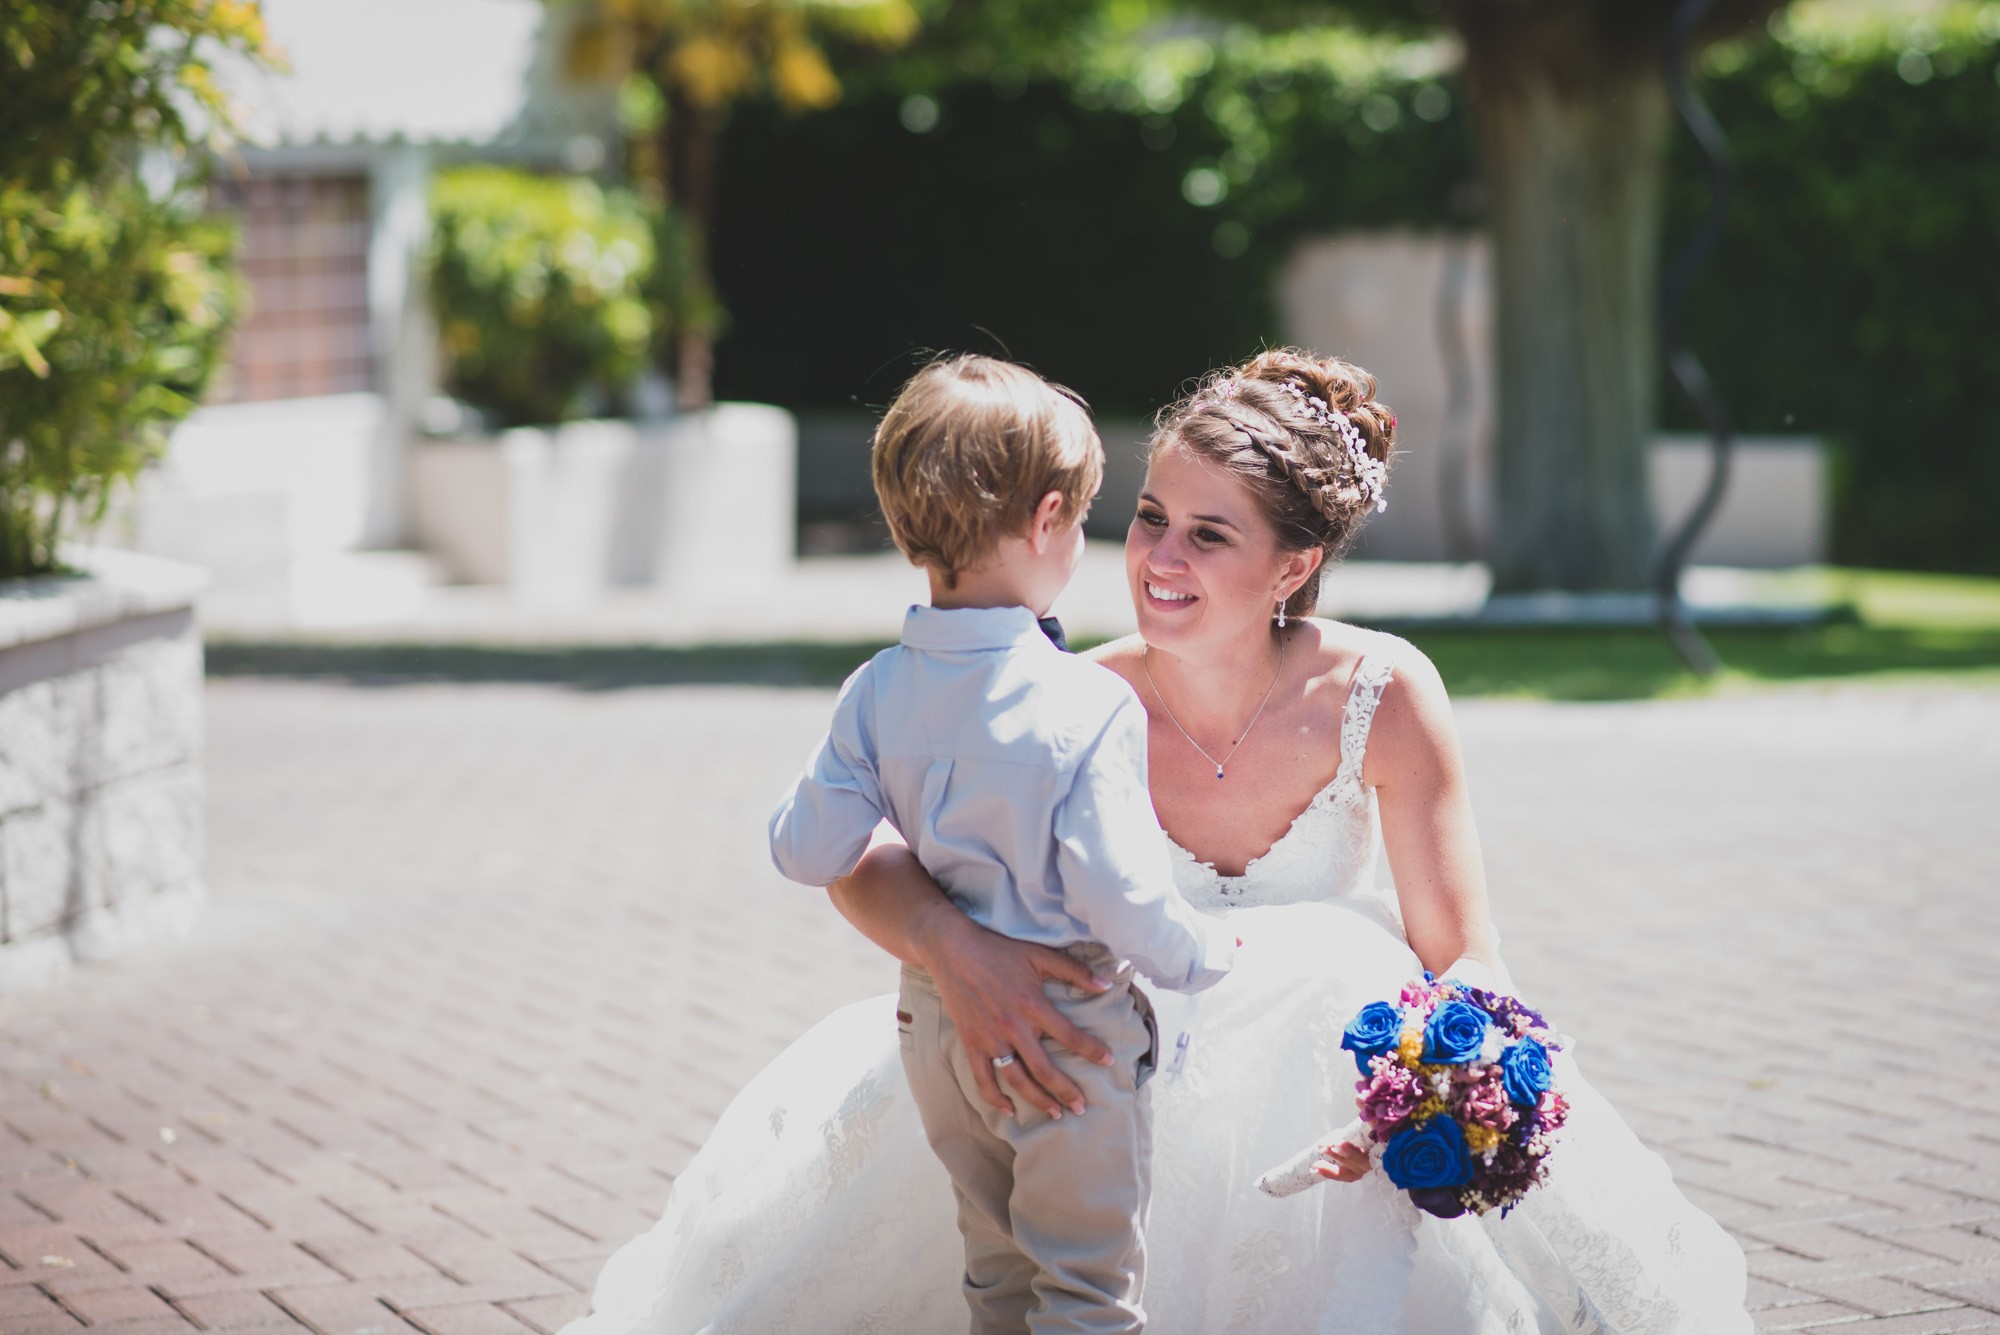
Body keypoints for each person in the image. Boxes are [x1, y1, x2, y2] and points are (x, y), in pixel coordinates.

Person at [566, 349, 1752, 1334]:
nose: (1157, 559)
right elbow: (860, 857)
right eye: (1147, 518)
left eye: (1208, 536)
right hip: (1076, 1066)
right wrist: (956, 953)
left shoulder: (1381, 691)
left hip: (1312, 1083)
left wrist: (1408, 1103)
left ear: (1294, 565)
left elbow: (1465, 960)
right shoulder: (1062, 693)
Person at [769, 353, 1235, 1334]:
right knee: (1088, 1291)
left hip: (934, 1032)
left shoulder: (875, 690)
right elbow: (1118, 891)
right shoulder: (1085, 702)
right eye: (1083, 520)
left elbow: (805, 850)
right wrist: (1201, 956)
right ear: (1045, 518)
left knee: (995, 1269)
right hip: (1068, 1028)